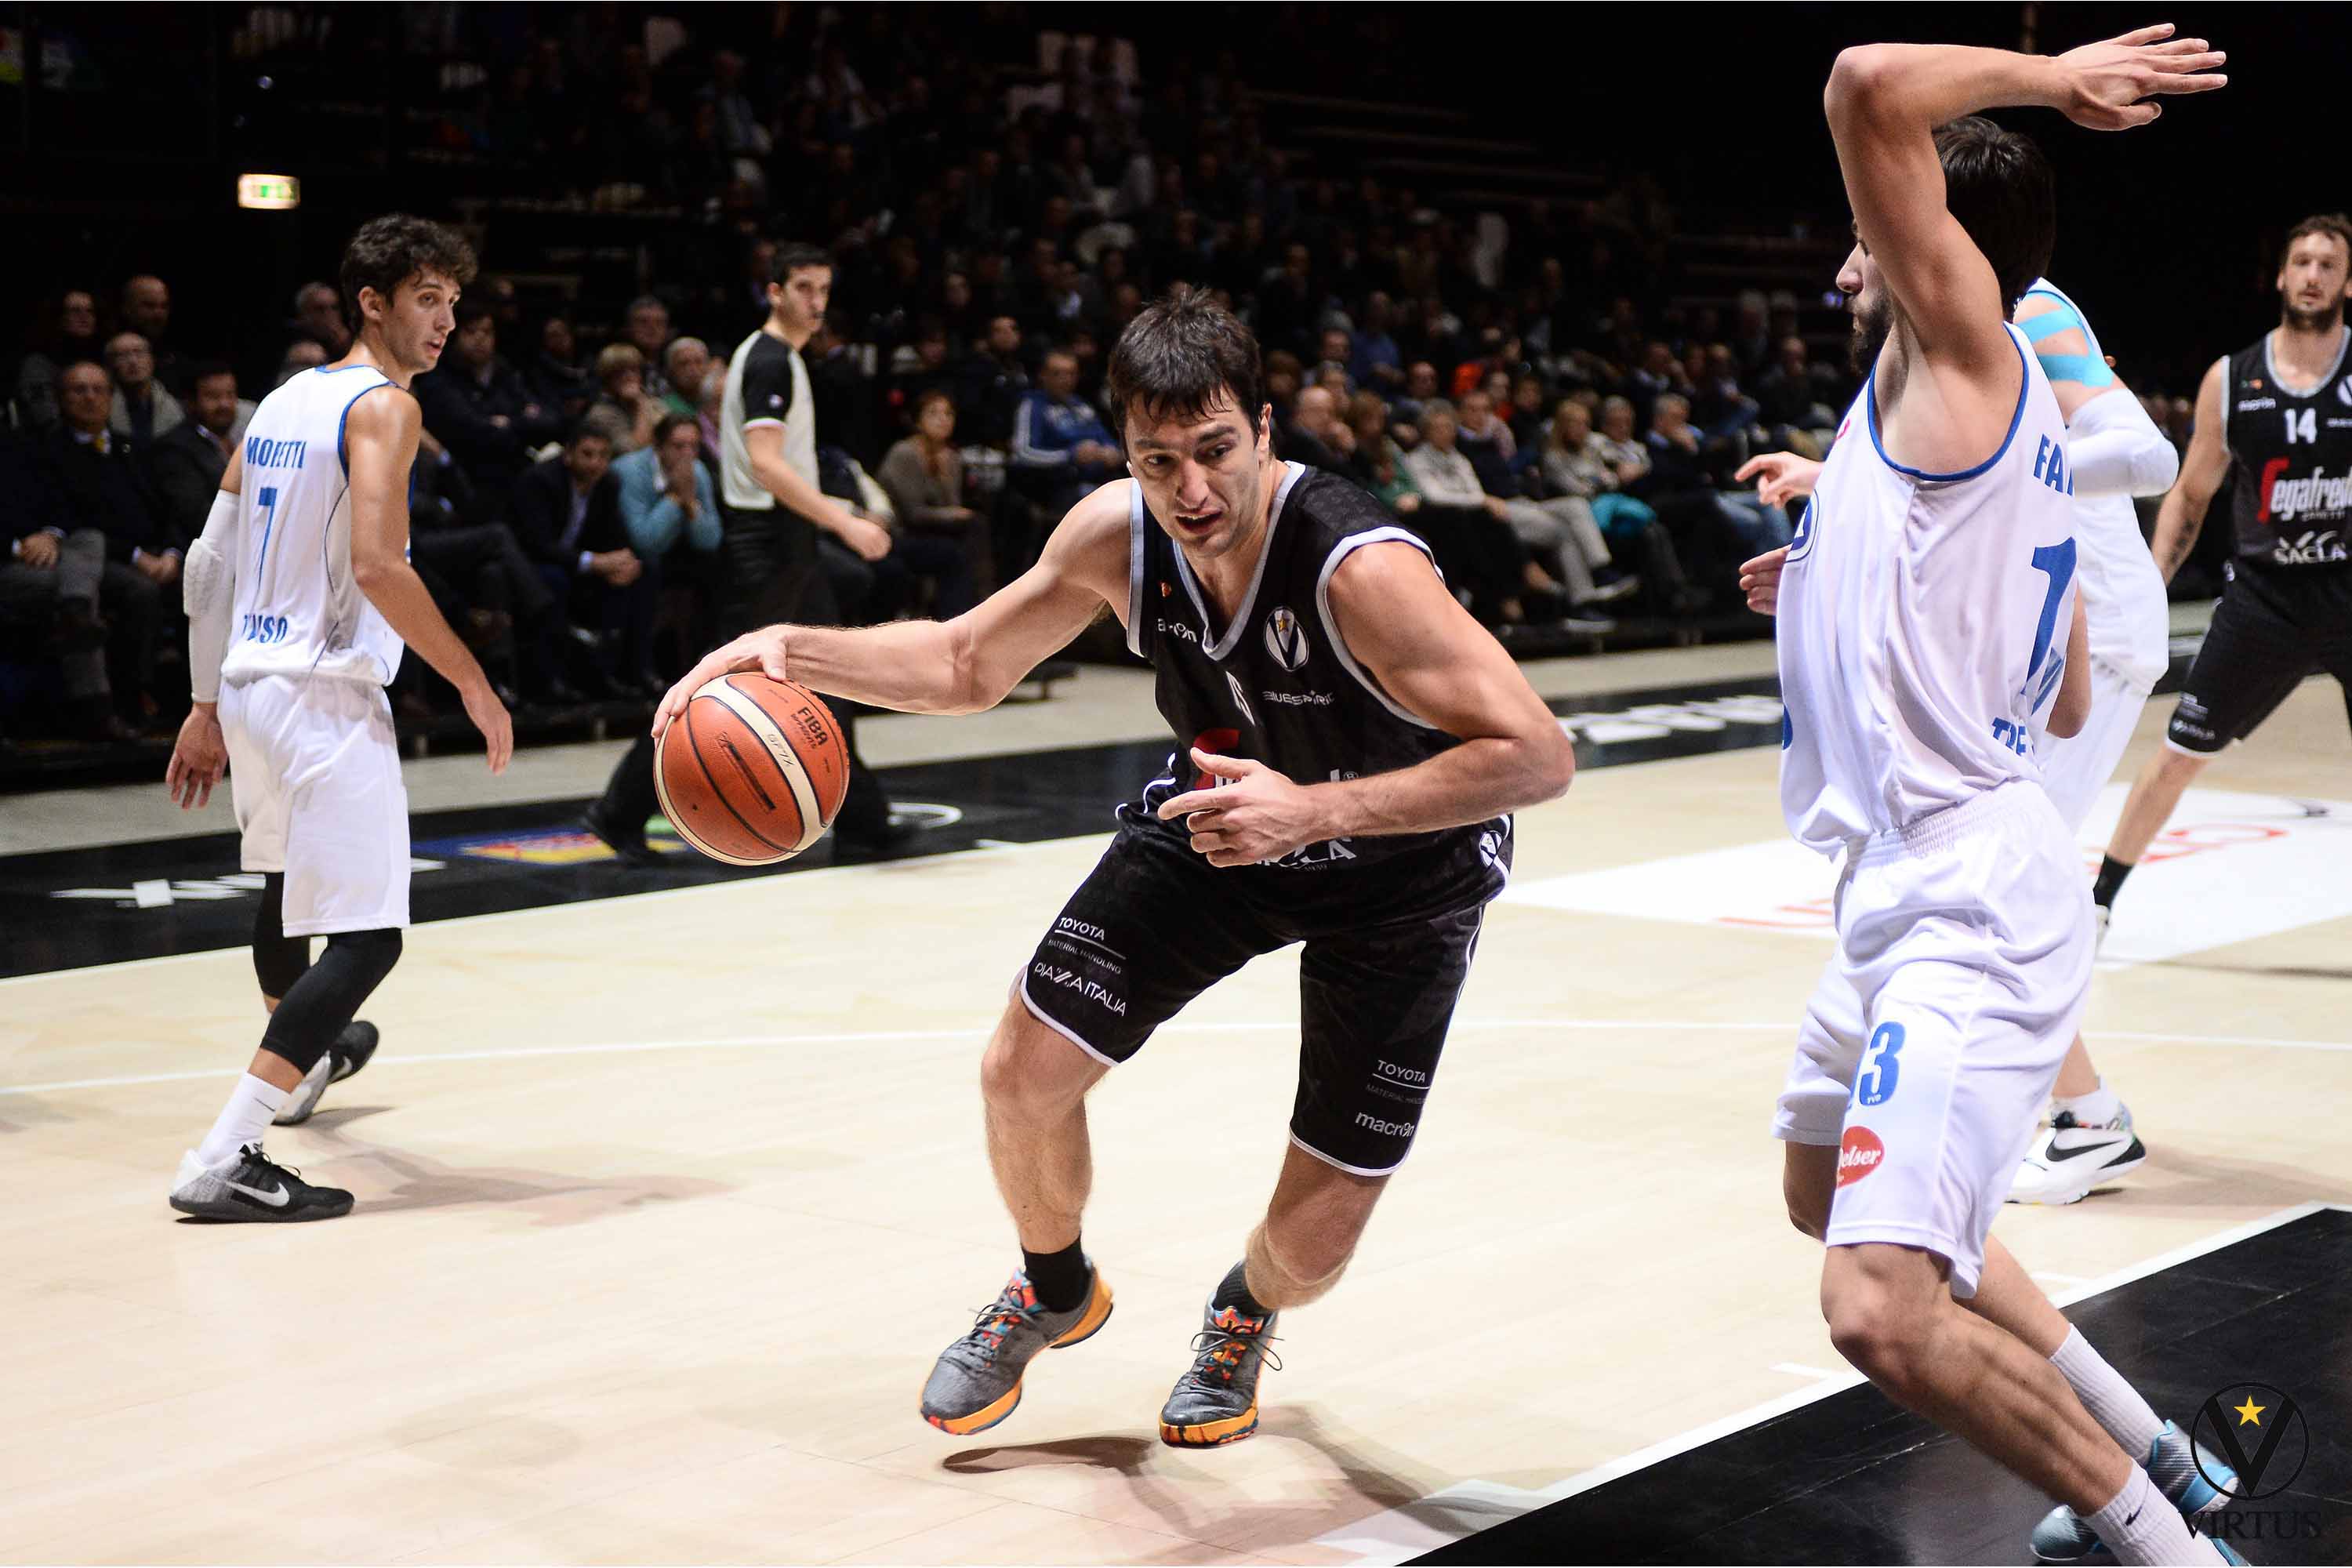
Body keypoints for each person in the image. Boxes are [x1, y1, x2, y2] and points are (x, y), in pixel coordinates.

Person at [653, 286, 1576, 1448]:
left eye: (1215, 452)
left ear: (1265, 429)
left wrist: (1317, 811)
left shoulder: (1359, 570)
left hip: (1406, 877)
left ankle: (1243, 1311)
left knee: (1313, 1249)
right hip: (1225, 825)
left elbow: (1539, 756)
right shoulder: (1116, 535)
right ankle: (1053, 1287)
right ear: (1125, 450)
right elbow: (962, 662)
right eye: (1157, 459)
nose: (1190, 491)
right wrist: (793, 650)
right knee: (1018, 1073)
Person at [1746, 29, 2241, 1566]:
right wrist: (1835, 573)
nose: (1849, 245)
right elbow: (2076, 690)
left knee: (1878, 1304)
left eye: (1870, 223)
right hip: (1901, 885)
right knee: (1822, 1193)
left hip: (1962, 897)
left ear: (1932, 248)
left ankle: (2161, 1533)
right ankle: (2144, 1427)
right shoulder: (1979, 411)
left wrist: (2057, 76)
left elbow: (1862, 83)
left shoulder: (1969, 356)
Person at [1740, 242, 2183, 1208]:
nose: (1846, 277)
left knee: (1996, 876)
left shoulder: (2030, 304)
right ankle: (2056, 1105)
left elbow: (2149, 454)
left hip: (2080, 628)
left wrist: (2017, 467)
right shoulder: (1929, 338)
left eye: (1860, 245)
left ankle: (2086, 1119)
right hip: (2016, 630)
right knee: (1988, 871)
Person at [162, 214, 514, 1223]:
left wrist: (202, 702)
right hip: (324, 694)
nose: (446, 319)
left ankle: (300, 1058)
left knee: (283, 894)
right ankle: (227, 1150)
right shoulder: (385, 406)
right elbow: (375, 565)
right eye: (426, 298)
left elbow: (208, 564)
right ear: (372, 300)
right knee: (368, 939)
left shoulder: (279, 399)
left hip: (249, 686)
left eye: (454, 299)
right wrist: (473, 682)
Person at [583, 241, 901, 865]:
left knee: (829, 675)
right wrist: (842, 521)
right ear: (774, 292)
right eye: (803, 289)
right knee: (725, 685)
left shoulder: (772, 359)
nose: (816, 303)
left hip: (782, 541)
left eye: (824, 291)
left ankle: (864, 817)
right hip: (766, 546)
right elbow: (763, 462)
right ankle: (618, 809)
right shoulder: (771, 361)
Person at [2091, 212, 2352, 949]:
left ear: (2347, 282)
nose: (2311, 275)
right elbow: (2193, 493)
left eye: (2327, 265)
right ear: (2279, 276)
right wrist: (2149, 589)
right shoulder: (2234, 379)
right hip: (2265, 601)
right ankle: (2101, 899)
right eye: (2300, 261)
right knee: (2179, 753)